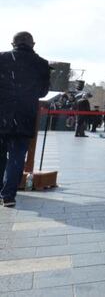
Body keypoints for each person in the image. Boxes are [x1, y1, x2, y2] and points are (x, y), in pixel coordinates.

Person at [0, 32, 50, 208]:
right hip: (25, 114)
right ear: (33, 44)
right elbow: (43, 92)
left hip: (2, 113)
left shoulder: (2, 58)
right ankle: (8, 195)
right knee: (17, 155)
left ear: (13, 43)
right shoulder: (41, 64)